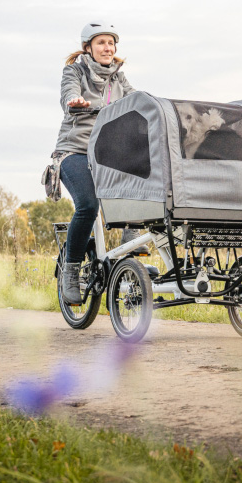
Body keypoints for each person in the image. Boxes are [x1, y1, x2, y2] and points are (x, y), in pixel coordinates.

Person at [55, 22, 133, 304]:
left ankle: (132, 232)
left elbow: (138, 102)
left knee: (144, 167)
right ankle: (71, 271)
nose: (107, 48)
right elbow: (68, 92)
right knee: (88, 205)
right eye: (101, 42)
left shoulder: (119, 79)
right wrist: (74, 100)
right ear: (88, 47)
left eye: (111, 43)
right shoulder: (75, 71)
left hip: (107, 154)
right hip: (74, 151)